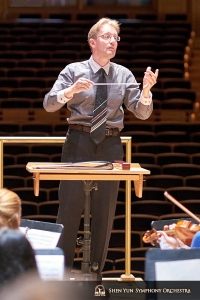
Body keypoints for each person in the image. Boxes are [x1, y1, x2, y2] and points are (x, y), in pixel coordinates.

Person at [43, 17, 159, 279]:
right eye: (107, 37)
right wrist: (69, 92)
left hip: (110, 144)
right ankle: (61, 276)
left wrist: (147, 91)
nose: (113, 42)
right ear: (93, 42)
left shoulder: (124, 74)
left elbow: (141, 113)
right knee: (69, 209)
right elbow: (49, 104)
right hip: (79, 142)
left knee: (105, 212)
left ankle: (95, 274)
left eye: (116, 38)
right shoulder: (73, 70)